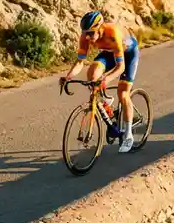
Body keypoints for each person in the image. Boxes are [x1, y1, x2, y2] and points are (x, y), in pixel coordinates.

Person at [60, 10, 140, 153]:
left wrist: (106, 79)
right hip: (110, 53)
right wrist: (68, 77)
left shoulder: (112, 34)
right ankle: (105, 101)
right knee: (92, 74)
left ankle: (128, 135)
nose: (88, 37)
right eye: (86, 33)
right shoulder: (85, 37)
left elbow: (120, 67)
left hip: (128, 54)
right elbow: (80, 62)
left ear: (100, 28)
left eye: (91, 33)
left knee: (123, 94)